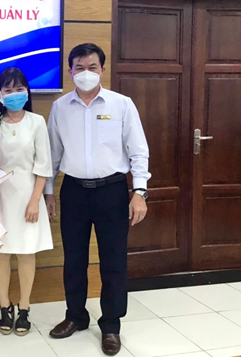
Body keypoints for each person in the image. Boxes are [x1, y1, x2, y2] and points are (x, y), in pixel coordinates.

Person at [44, 43, 150, 356]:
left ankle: (111, 325)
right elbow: (52, 154)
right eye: (79, 68)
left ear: (102, 69)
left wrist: (140, 192)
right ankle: (76, 316)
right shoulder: (60, 107)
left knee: (114, 261)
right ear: (70, 71)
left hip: (112, 191)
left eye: (92, 67)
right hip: (74, 191)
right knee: (74, 259)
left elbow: (138, 151)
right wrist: (48, 192)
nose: (86, 73)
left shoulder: (121, 104)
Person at [0, 67, 54, 336]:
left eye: (19, 89)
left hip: (28, 195)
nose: (14, 94)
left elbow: (43, 165)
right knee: (1, 252)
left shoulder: (37, 122)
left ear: (27, 91)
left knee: (26, 251)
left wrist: (35, 201)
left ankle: (24, 307)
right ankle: (5, 306)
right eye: (8, 89)